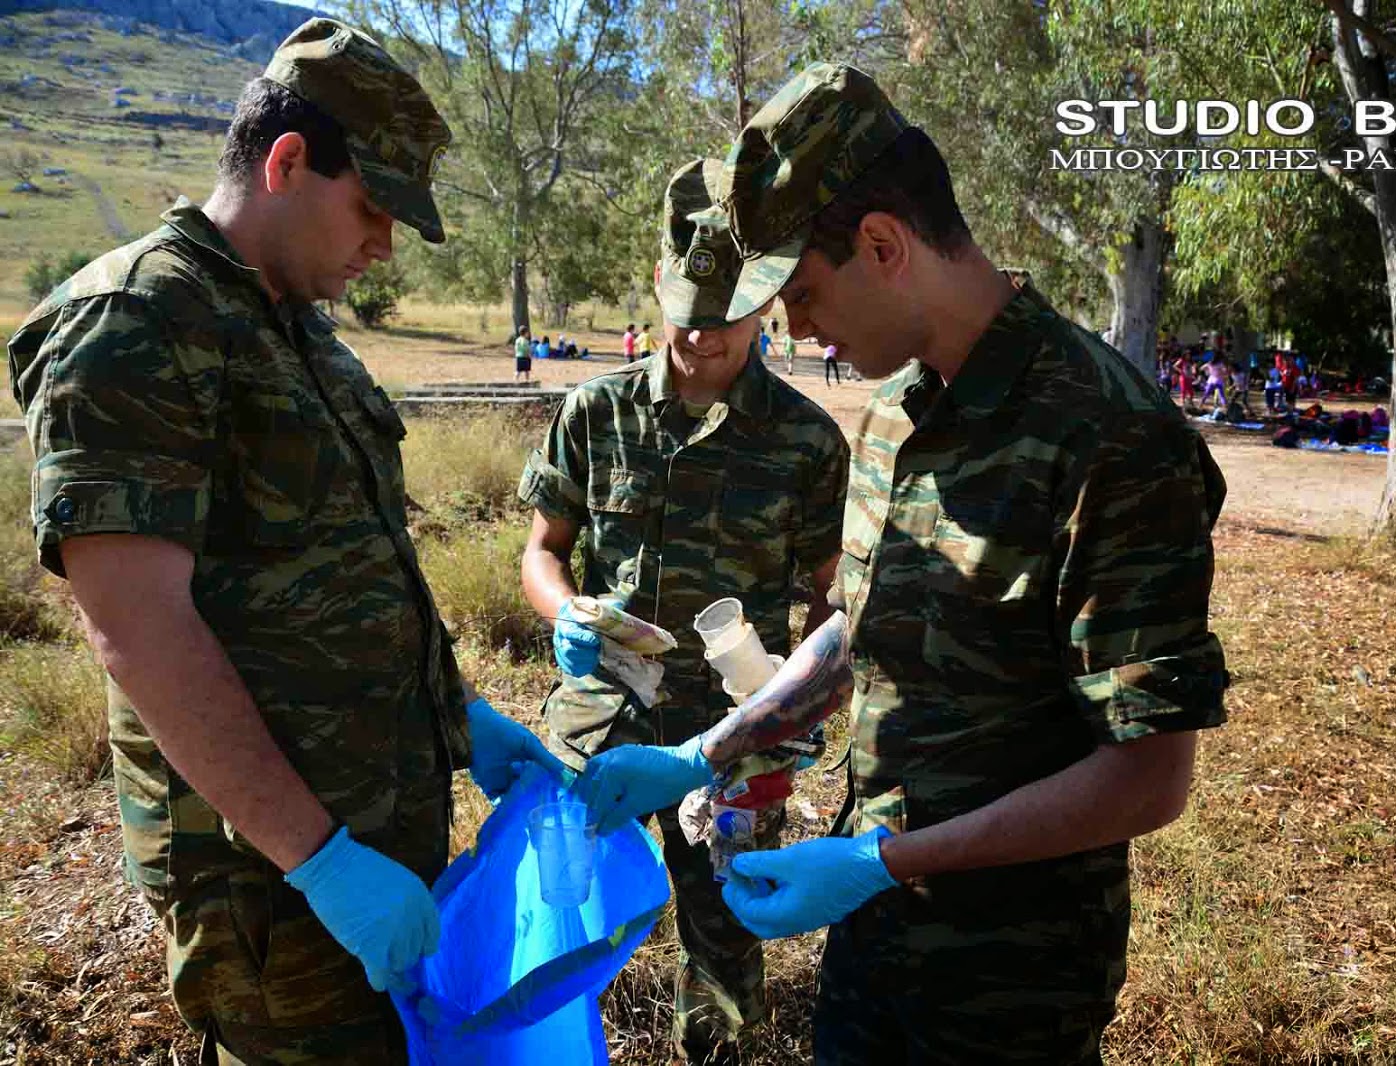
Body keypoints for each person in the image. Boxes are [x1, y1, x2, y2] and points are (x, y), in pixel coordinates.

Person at [573, 62, 1228, 1064]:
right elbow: (860, 624)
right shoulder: (892, 413)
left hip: (1007, 989)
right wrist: (704, 750)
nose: (793, 330)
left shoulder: (1108, 438)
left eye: (800, 292)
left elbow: (1147, 777)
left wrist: (886, 860)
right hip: (869, 945)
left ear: (882, 245)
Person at [5, 19, 569, 1063]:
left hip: (379, 834)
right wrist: (319, 860)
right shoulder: (136, 322)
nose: (386, 244)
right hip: (272, 883)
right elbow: (137, 627)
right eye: (373, 208)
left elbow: (346, 571)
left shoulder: (300, 330)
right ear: (287, 161)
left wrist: (463, 714)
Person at [518, 156, 849, 1065]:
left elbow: (830, 600)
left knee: (726, 937)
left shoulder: (806, 441)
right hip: (602, 718)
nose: (699, 340)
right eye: (685, 319)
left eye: (725, 323)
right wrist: (565, 614)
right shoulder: (594, 412)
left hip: (733, 731)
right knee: (558, 918)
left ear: (765, 311)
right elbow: (544, 551)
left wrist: (806, 703)